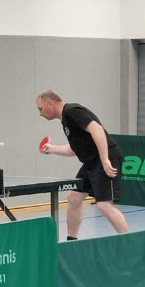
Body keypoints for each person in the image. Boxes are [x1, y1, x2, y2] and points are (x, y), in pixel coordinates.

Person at [36, 90, 130, 239]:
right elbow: (74, 149)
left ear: (50, 103)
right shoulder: (65, 120)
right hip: (90, 163)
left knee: (104, 205)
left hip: (104, 158)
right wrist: (52, 148)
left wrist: (105, 159)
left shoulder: (72, 111)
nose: (40, 113)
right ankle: (72, 241)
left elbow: (97, 129)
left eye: (40, 109)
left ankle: (130, 243)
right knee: (74, 197)